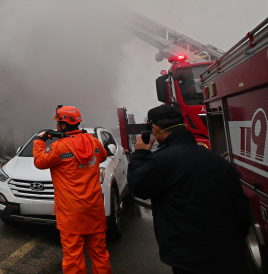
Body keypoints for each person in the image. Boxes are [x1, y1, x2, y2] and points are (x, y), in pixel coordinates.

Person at [127, 104, 251, 274]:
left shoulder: (160, 162)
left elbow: (137, 187)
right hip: (230, 253)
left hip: (190, 259)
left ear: (154, 128)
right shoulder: (218, 160)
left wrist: (140, 154)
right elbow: (241, 206)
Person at [33, 105, 112, 274]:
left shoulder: (59, 147)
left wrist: (40, 140)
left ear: (62, 125)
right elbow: (103, 156)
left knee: (73, 258)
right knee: (100, 255)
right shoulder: (94, 142)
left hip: (71, 213)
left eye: (58, 123)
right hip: (94, 209)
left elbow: (40, 162)